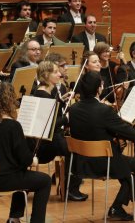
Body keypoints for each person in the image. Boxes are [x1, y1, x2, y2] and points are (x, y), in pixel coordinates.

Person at [69, 71, 135, 221]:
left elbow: (92, 128)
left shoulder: (73, 109)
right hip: (104, 163)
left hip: (81, 163)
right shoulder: (104, 110)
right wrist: (125, 123)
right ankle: (117, 207)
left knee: (125, 169)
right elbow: (134, 135)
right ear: (99, 88)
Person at [0, 82, 51, 223]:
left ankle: (14, 218)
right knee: (45, 181)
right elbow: (25, 159)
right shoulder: (13, 126)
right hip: (4, 180)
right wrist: (33, 160)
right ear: (8, 100)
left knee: (23, 173)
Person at [30, 61, 87, 201]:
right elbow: (51, 124)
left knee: (76, 147)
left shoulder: (50, 91)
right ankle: (70, 189)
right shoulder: (42, 95)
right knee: (76, 151)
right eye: (55, 72)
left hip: (53, 137)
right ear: (46, 75)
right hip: (46, 143)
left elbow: (53, 114)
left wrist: (62, 100)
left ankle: (67, 185)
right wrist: (67, 118)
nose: (60, 74)